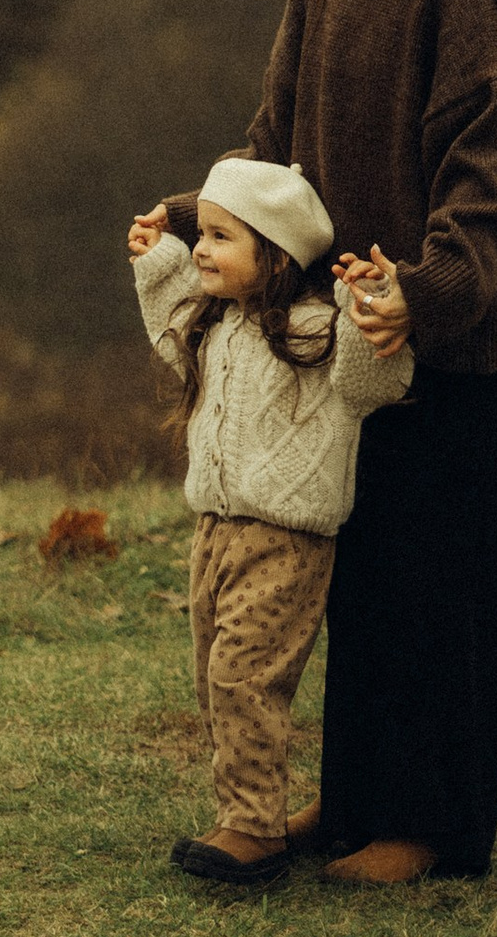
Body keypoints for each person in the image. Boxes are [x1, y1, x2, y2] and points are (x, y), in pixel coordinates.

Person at [161, 0, 497, 888]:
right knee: (359, 579)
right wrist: (210, 228)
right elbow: (274, 145)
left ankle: (431, 829)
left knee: (438, 593)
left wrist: (418, 298)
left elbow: (486, 194)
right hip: (336, 340)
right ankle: (365, 798)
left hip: (442, 351)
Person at [128, 157, 413, 891]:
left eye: (222, 236)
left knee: (245, 677)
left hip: (286, 540)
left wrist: (371, 302)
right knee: (212, 678)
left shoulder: (317, 331)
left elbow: (374, 380)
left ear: (276, 254)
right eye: (203, 234)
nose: (202, 248)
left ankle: (255, 832)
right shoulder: (216, 325)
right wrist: (158, 258)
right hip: (214, 534)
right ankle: (239, 814)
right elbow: (168, 331)